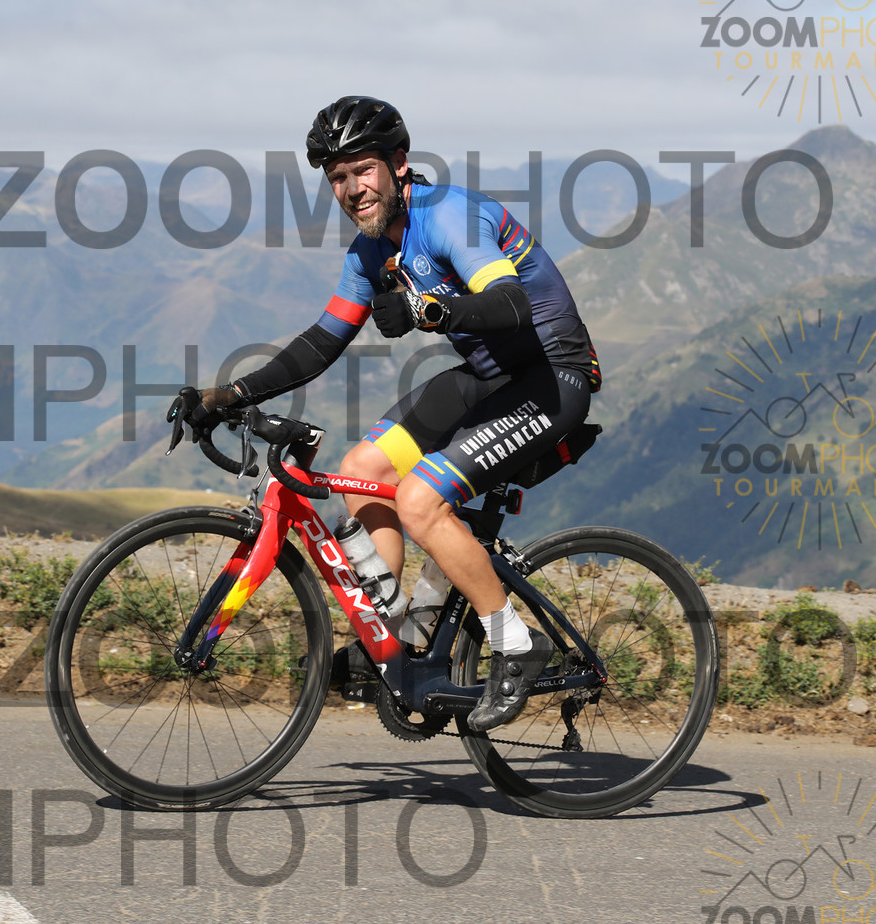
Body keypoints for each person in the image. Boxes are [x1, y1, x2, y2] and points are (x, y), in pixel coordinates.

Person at [186, 95, 601, 731]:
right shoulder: (369, 252)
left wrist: (429, 309)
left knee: (418, 501)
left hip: (553, 378)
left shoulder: (450, 216)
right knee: (361, 470)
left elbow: (511, 305)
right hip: (486, 379)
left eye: (363, 170)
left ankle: (516, 645)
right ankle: (398, 638)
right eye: (338, 178)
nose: (353, 189)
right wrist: (227, 396)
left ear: (398, 164)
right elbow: (321, 343)